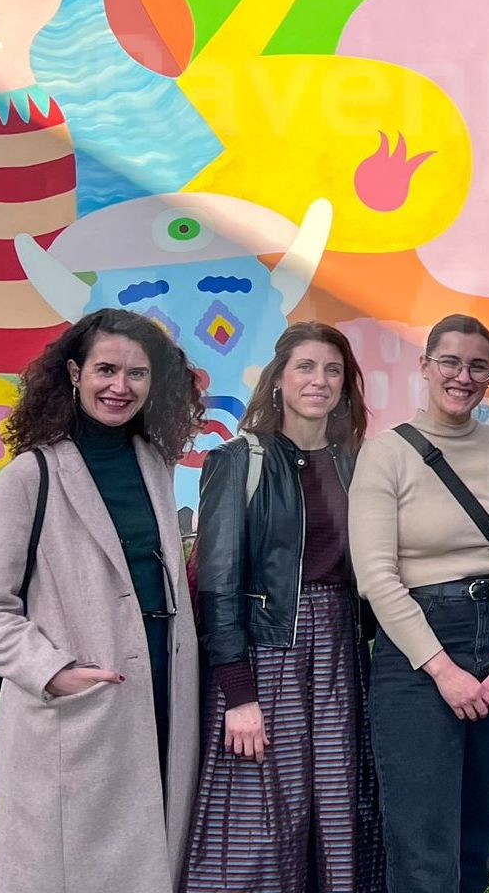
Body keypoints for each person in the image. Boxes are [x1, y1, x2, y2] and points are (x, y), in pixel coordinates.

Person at [0, 307, 204, 893]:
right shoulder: (31, 476)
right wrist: (52, 672)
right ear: (75, 373)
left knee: (149, 848)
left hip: (161, 683)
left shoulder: (154, 463)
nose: (120, 387)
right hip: (82, 695)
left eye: (137, 374)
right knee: (73, 863)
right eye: (106, 370)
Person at [349, 314, 489, 893]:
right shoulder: (385, 454)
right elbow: (376, 577)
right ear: (425, 366)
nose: (463, 376)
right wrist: (442, 670)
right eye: (450, 362)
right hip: (420, 648)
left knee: (483, 829)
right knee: (423, 842)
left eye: (477, 366)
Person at [185, 321, 381, 891]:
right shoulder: (238, 461)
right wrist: (238, 694)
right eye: (306, 367)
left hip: (342, 655)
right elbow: (218, 582)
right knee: (259, 818)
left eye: (333, 370)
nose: (319, 380)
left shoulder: (358, 463)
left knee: (338, 807)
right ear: (279, 379)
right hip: (268, 652)